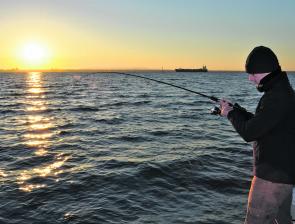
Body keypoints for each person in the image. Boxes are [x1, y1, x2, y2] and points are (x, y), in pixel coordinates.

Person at [219, 46, 295, 224]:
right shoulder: (282, 92)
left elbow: (250, 132)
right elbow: (265, 123)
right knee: (282, 220)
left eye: (253, 73)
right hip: (285, 173)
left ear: (266, 70)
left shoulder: (277, 97)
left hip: (272, 177)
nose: (250, 78)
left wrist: (229, 114)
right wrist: (237, 111)